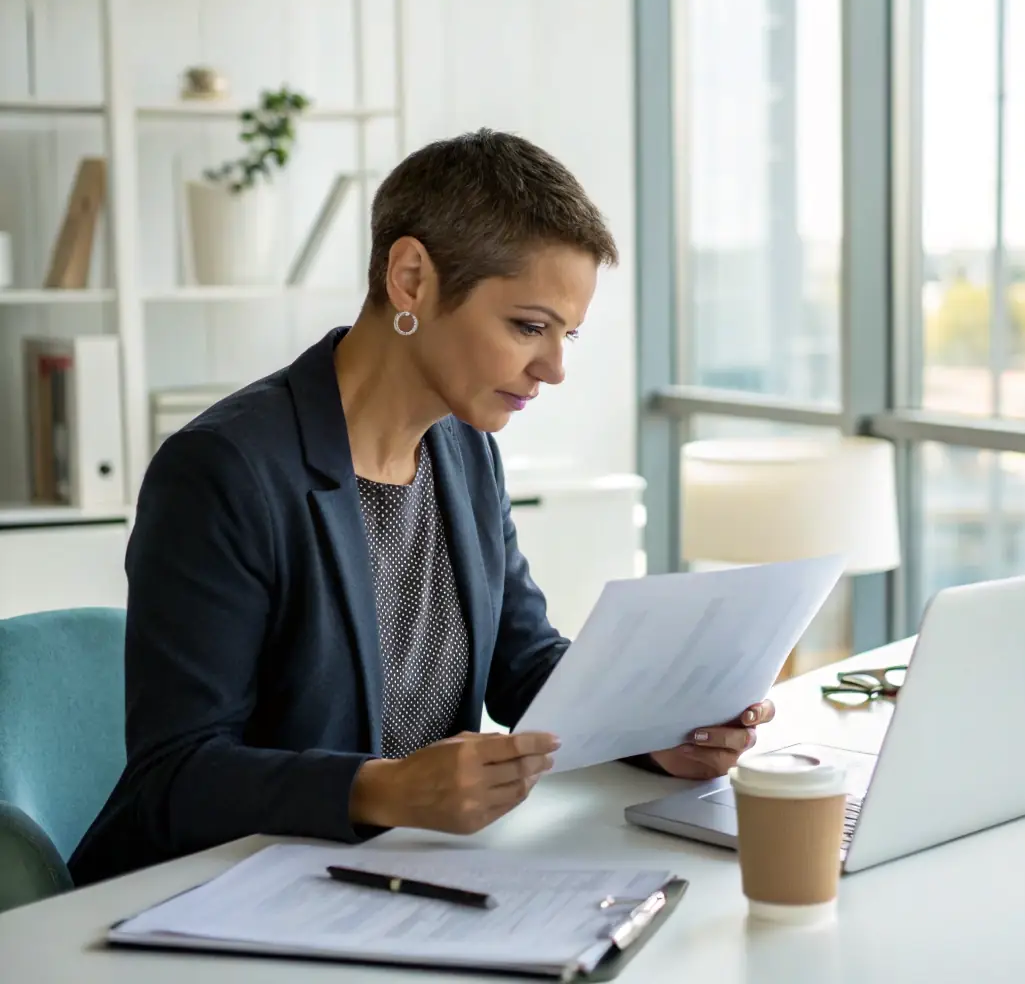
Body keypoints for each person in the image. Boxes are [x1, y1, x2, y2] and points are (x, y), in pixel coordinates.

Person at [68, 129, 775, 886]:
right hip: (218, 892)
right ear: (411, 280)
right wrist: (384, 790)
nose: (555, 368)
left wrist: (654, 732)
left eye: (567, 334)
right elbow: (175, 775)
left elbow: (523, 664)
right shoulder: (224, 471)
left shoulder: (463, 449)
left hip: (402, 877)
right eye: (528, 327)